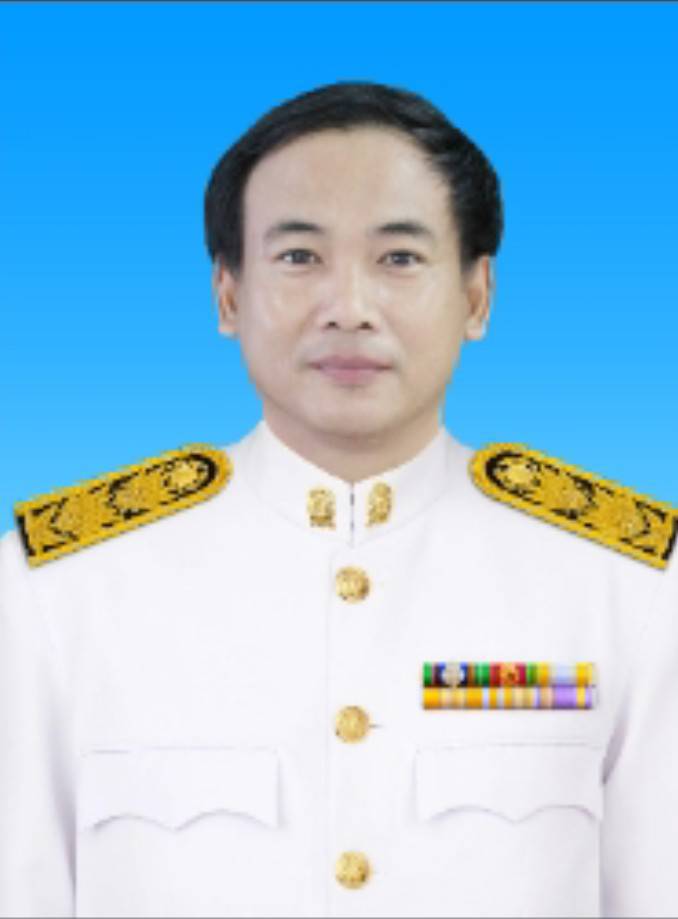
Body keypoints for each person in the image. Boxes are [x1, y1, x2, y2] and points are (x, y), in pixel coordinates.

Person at [1, 80, 676, 919]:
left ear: (477, 295)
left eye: (399, 259)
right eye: (298, 257)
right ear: (227, 294)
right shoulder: (59, 589)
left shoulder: (624, 584)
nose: (349, 310)